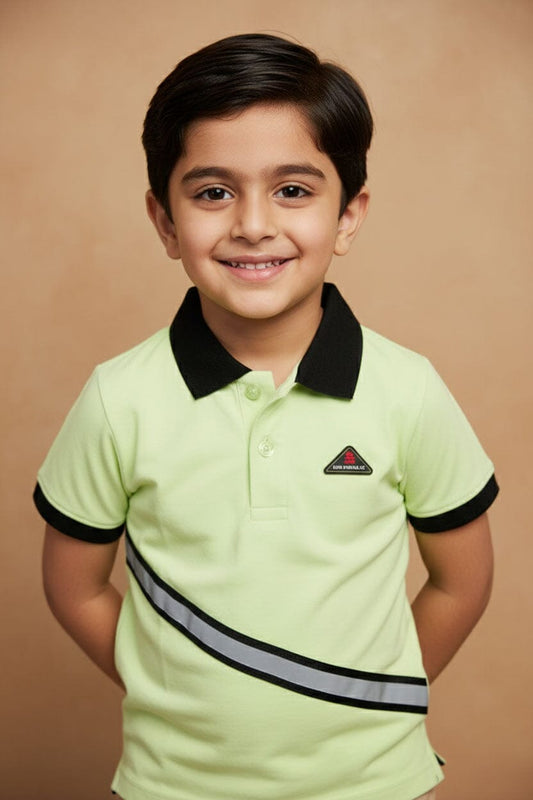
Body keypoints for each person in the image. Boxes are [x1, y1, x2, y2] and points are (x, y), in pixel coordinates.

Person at [34, 33, 498, 800]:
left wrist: (369, 701)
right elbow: (75, 588)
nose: (253, 224)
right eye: (213, 193)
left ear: (347, 215)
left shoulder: (407, 390)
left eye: (292, 190)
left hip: (377, 784)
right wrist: (176, 692)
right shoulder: (118, 398)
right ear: (164, 220)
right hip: (170, 785)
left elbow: (461, 581)